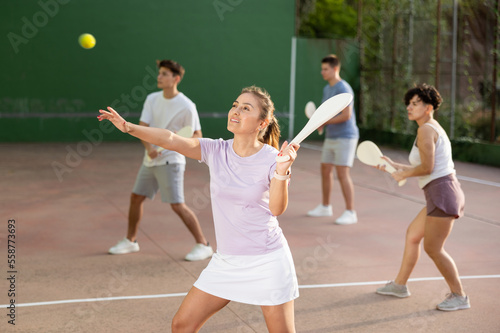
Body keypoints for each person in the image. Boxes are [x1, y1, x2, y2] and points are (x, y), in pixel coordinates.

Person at [98, 86, 300, 332]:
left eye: (246, 108)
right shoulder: (217, 150)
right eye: (235, 104)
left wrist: (281, 171)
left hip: (266, 260)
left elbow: (277, 209)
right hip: (226, 261)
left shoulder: (273, 158)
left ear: (262, 122)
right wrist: (129, 127)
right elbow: (172, 139)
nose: (235, 111)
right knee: (182, 325)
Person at [375, 84, 470, 311]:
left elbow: (427, 168)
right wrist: (395, 166)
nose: (409, 107)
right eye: (408, 103)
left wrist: (403, 173)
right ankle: (400, 285)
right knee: (413, 235)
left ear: (428, 107)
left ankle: (459, 295)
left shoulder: (426, 130)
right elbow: (424, 166)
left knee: (433, 248)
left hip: (443, 193)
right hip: (439, 192)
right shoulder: (429, 128)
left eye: (415, 103)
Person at [107, 59, 214, 262]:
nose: (159, 77)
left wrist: (175, 142)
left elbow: (197, 135)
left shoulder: (187, 106)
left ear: (176, 78)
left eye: (164, 74)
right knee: (136, 197)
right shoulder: (152, 99)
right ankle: (131, 240)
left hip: (172, 161)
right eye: (160, 73)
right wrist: (150, 149)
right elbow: (142, 126)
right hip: (150, 159)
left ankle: (203, 244)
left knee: (177, 204)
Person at [307, 54, 359, 225]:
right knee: (325, 170)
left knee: (342, 173)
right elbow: (327, 114)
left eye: (325, 69)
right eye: (322, 69)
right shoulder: (327, 89)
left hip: (346, 136)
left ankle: (350, 212)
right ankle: (325, 207)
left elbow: (346, 115)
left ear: (335, 69)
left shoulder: (343, 88)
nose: (322, 72)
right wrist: (321, 123)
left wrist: (323, 121)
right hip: (331, 135)